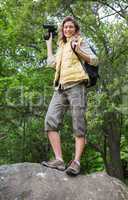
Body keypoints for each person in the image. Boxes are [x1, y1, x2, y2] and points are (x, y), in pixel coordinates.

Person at [42, 16, 99, 176]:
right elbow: (52, 64)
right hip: (60, 87)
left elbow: (95, 60)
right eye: (65, 27)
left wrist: (78, 50)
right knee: (50, 121)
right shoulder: (62, 45)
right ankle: (59, 160)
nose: (67, 29)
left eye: (70, 27)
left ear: (75, 29)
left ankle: (76, 162)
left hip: (77, 85)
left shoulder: (80, 41)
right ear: (62, 30)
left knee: (78, 124)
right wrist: (48, 43)